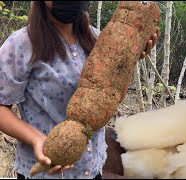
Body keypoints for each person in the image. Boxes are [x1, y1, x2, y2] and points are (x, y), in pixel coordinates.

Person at [0, 1, 159, 179]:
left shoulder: (98, 38)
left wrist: (129, 60)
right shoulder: (21, 44)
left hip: (92, 169)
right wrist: (37, 140)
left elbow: (111, 98)